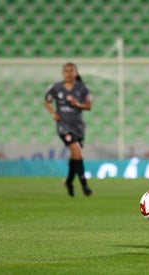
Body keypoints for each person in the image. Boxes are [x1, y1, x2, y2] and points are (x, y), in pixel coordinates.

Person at [44, 62, 93, 197]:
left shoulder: (82, 88)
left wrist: (77, 104)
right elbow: (46, 101)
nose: (69, 73)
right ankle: (85, 185)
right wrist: (53, 113)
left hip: (78, 126)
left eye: (72, 71)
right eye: (66, 71)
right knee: (77, 151)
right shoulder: (56, 87)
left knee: (75, 156)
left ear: (76, 73)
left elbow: (89, 106)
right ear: (62, 73)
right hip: (63, 126)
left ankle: (69, 181)